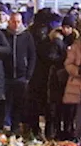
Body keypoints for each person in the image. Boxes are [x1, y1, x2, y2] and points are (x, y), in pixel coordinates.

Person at [28, 10, 67, 138]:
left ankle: (35, 130)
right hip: (46, 75)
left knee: (36, 105)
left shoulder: (31, 31)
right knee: (49, 105)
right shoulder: (47, 35)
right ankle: (48, 132)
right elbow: (50, 56)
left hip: (35, 74)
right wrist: (57, 42)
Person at [5, 11, 36, 132]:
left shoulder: (27, 36)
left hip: (21, 76)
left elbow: (32, 56)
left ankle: (16, 127)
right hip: (7, 76)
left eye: (18, 21)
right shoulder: (5, 34)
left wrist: (28, 75)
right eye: (13, 21)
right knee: (6, 103)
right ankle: (6, 125)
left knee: (19, 103)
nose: (16, 24)